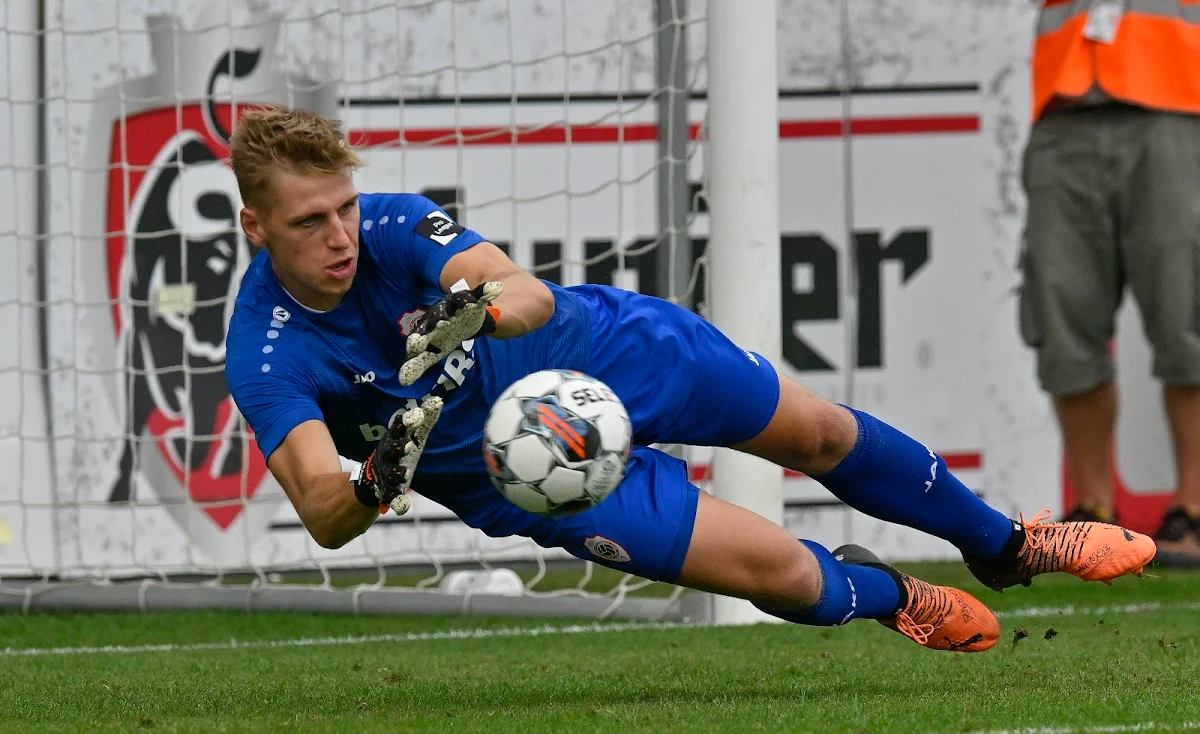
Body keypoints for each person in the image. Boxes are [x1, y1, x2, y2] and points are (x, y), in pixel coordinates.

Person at [224, 109, 1155, 654]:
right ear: (255, 229)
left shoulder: (388, 224)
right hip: (526, 475)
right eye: (310, 223)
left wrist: (475, 311)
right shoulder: (268, 355)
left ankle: (1007, 541)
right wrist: (383, 470)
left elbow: (524, 291)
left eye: (344, 207)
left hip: (596, 352)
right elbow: (321, 506)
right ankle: (892, 598)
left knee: (818, 433)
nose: (340, 236)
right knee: (790, 574)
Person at [1020, 0, 1200, 564]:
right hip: (1064, 107)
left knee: (1186, 312)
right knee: (1060, 309)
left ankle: (1194, 510)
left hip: (1178, 101)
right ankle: (1091, 515)